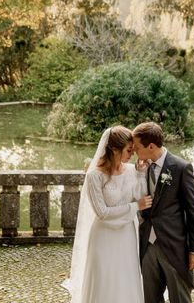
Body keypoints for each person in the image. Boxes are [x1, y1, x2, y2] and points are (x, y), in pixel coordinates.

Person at [63, 126, 152, 303]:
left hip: (126, 234)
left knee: (126, 277)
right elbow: (102, 212)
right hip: (103, 236)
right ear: (113, 149)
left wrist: (142, 175)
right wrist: (135, 207)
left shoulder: (132, 170)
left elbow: (141, 197)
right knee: (104, 279)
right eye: (128, 150)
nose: (132, 155)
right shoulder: (94, 176)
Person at [132, 122, 194, 303]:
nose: (134, 151)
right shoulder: (141, 168)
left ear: (151, 146)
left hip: (174, 246)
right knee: (150, 298)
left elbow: (193, 210)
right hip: (147, 244)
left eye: (137, 147)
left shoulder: (181, 167)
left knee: (180, 298)